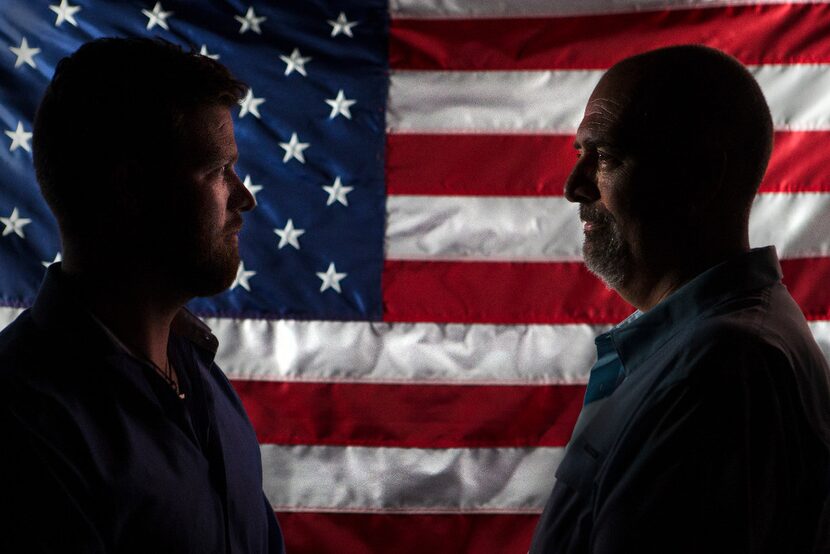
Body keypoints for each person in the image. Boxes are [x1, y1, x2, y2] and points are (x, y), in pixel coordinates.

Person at [529, 45, 830, 553]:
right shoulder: (709, 350)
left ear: (700, 175)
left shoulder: (717, 369)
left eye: (606, 157)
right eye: (581, 155)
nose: (573, 187)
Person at [0, 38, 284, 553]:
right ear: (132, 189)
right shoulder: (24, 422)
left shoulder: (205, 380)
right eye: (218, 170)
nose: (244, 197)